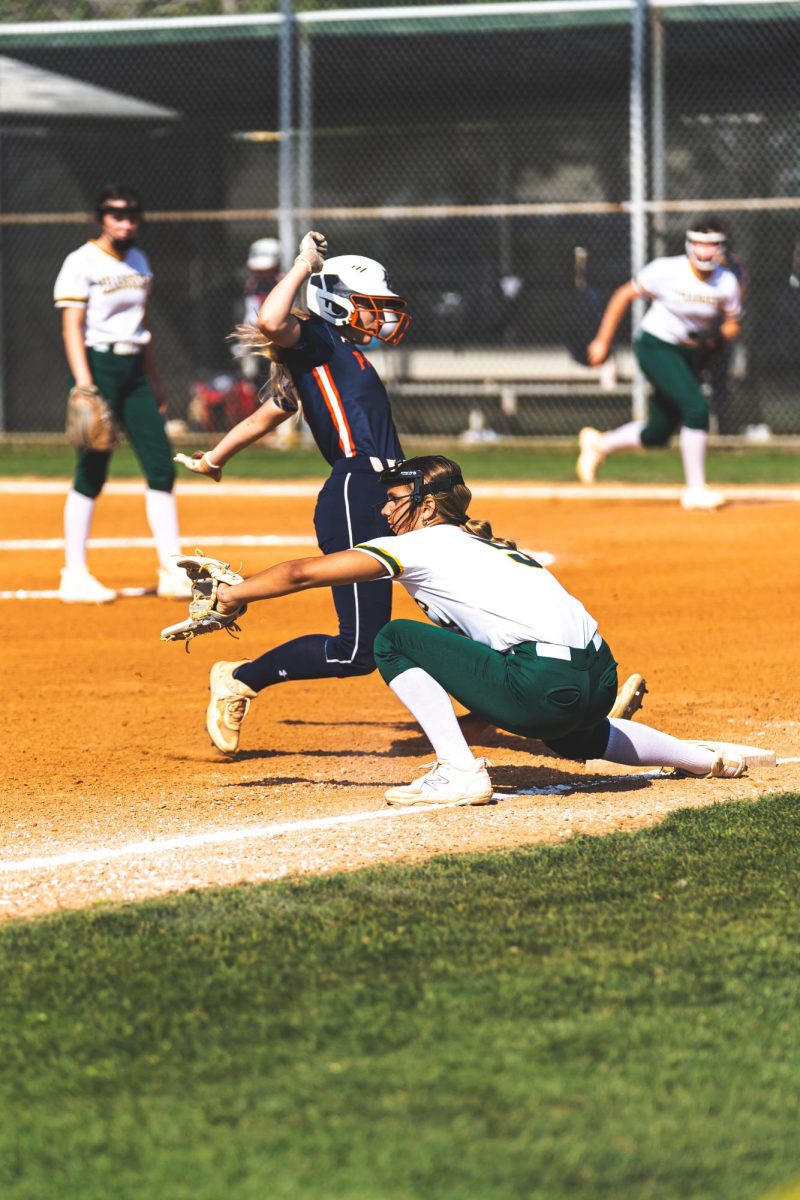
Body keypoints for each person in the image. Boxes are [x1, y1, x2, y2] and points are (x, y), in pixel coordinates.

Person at [197, 454, 750, 806]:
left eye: (394, 500)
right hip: (600, 675)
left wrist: (233, 594)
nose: (385, 511)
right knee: (571, 734)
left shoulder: (420, 543)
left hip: (544, 681)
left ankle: (458, 772)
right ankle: (699, 759)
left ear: (429, 506)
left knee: (392, 639)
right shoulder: (491, 544)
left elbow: (300, 573)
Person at [175, 229, 412, 755]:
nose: (380, 317)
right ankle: (241, 678)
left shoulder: (336, 356)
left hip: (399, 489)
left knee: (457, 598)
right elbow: (269, 321)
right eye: (371, 308)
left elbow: (270, 411)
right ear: (337, 302)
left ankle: (514, 702)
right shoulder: (318, 338)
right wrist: (304, 263)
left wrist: (216, 457)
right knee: (357, 650)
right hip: (357, 491)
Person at [53, 183, 190, 603]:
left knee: (161, 467)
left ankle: (172, 568)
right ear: (101, 217)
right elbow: (71, 326)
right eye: (116, 214)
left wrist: (155, 379)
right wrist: (85, 384)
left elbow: (142, 324)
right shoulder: (81, 261)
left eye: (131, 214)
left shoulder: (138, 259)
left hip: (134, 371)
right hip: (99, 366)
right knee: (92, 469)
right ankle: (74, 574)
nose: (125, 221)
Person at [577, 221, 743, 511]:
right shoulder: (667, 269)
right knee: (697, 407)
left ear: (721, 248)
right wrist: (603, 341)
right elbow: (623, 295)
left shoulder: (726, 282)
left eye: (712, 244)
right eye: (700, 243)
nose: (705, 250)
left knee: (658, 432)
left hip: (689, 355)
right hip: (656, 346)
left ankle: (599, 444)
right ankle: (695, 489)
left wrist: (715, 339)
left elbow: (732, 324)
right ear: (689, 245)